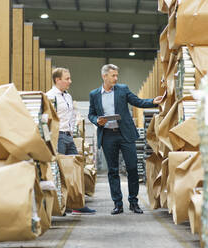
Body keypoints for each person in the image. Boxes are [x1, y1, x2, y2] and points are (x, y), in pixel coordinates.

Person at [88, 64, 163, 215]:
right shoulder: (94, 94)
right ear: (104, 76)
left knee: (132, 167)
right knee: (113, 171)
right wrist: (97, 120)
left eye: (116, 75)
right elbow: (91, 114)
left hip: (125, 134)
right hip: (108, 135)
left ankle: (133, 202)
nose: (116, 78)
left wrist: (153, 101)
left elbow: (137, 102)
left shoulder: (123, 89)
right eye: (113, 75)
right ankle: (118, 204)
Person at [46, 67, 96, 215]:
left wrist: (72, 130)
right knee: (60, 171)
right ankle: (61, 205)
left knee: (76, 168)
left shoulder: (67, 96)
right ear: (57, 80)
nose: (70, 81)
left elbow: (73, 116)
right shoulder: (49, 96)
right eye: (67, 79)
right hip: (58, 137)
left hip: (68, 136)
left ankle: (77, 203)